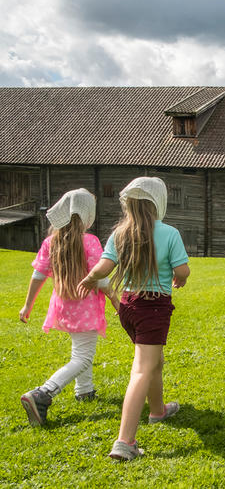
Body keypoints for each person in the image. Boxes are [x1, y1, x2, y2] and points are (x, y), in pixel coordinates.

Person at [77, 177, 190, 460]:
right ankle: (125, 441)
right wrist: (179, 277)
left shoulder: (120, 233)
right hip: (153, 308)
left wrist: (91, 277)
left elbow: (105, 266)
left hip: (128, 307)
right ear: (157, 203)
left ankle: (158, 411)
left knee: (154, 362)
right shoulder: (169, 233)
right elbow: (184, 270)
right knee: (142, 369)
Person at [18, 189, 119, 426]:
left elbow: (38, 275)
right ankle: (42, 394)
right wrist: (115, 299)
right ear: (86, 214)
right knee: (83, 357)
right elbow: (100, 278)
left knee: (80, 350)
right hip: (85, 308)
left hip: (64, 307)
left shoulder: (51, 242)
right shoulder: (89, 241)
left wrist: (27, 305)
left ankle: (85, 391)